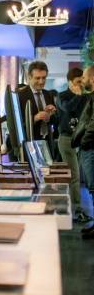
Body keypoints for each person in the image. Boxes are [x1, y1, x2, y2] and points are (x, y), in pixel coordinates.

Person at [57, 66, 89, 223]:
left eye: (82, 81)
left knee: (78, 176)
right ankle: (76, 211)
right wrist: (77, 96)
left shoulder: (85, 96)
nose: (80, 85)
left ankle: (74, 209)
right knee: (74, 176)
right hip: (66, 140)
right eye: (77, 82)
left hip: (81, 140)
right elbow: (68, 109)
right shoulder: (62, 96)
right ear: (70, 82)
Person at [16, 60, 58, 144]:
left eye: (44, 78)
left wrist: (51, 115)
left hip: (48, 142)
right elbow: (16, 125)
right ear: (29, 77)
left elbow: (56, 122)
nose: (41, 82)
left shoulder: (48, 95)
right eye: (37, 78)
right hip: (29, 143)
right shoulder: (19, 96)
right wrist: (34, 118)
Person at [79, 66, 94, 239]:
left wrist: (84, 141)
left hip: (90, 146)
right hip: (89, 146)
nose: (82, 80)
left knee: (93, 187)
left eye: (84, 77)